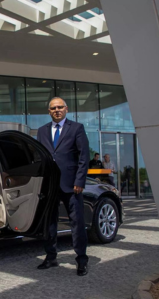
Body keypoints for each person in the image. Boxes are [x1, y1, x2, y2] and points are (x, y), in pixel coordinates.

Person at [36, 97, 90, 276]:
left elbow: (84, 157)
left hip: (71, 185)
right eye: (53, 108)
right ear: (49, 111)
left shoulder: (76, 128)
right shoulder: (42, 131)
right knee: (49, 223)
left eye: (60, 107)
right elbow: (41, 158)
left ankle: (81, 260)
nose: (57, 110)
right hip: (50, 186)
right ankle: (51, 257)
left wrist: (79, 181)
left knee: (77, 223)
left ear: (66, 109)